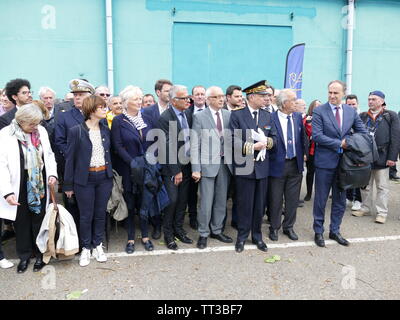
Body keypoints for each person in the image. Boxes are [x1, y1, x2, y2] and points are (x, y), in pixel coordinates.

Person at [0, 104, 57, 273]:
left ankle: (40, 255)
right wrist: (7, 192)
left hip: (39, 181)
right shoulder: (5, 135)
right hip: (18, 183)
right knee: (22, 221)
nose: (35, 127)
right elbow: (1, 166)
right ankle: (24, 257)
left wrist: (52, 174)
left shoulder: (41, 131)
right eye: (32, 124)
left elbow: (49, 155)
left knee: (39, 219)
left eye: (37, 123)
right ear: (21, 121)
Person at [312, 80, 367, 247]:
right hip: (324, 163)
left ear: (343, 93)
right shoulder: (319, 111)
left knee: (340, 200)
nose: (332, 96)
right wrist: (339, 144)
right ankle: (318, 231)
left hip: (345, 164)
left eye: (336, 93)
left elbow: (362, 132)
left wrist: (349, 142)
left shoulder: (351, 111)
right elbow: (317, 136)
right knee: (321, 199)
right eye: (330, 92)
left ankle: (335, 230)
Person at [64, 95, 113, 267]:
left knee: (100, 214)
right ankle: (86, 247)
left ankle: (97, 245)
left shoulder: (106, 129)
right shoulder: (76, 131)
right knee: (86, 215)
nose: (104, 109)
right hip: (84, 180)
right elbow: (70, 160)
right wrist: (68, 185)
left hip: (104, 178)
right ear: (92, 110)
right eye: (101, 107)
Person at [111, 86, 161, 253]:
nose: (139, 102)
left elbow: (155, 140)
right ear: (126, 103)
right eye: (136, 99)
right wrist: (133, 162)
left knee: (145, 203)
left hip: (148, 168)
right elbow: (117, 146)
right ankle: (131, 238)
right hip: (129, 170)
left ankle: (145, 236)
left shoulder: (147, 118)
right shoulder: (119, 121)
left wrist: (150, 160)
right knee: (131, 204)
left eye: (140, 99)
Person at [229, 80, 277, 253]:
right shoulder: (237, 115)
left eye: (267, 96)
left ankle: (257, 236)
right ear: (252, 96)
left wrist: (267, 143)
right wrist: (252, 147)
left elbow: (274, 138)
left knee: (259, 205)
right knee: (244, 204)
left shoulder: (267, 115)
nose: (266, 99)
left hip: (262, 168)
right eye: (263, 96)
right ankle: (242, 237)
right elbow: (232, 140)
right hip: (245, 166)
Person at [190, 86, 233, 249]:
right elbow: (195, 144)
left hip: (225, 164)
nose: (221, 99)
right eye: (217, 97)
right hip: (207, 165)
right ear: (208, 100)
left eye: (222, 96)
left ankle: (216, 229)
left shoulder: (229, 115)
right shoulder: (200, 117)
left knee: (221, 200)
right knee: (206, 201)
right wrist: (196, 168)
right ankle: (203, 233)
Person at [352, 91, 400, 224]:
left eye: (373, 99)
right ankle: (365, 208)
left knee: (382, 186)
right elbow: (356, 136)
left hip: (383, 156)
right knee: (365, 185)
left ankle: (381, 212)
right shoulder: (362, 116)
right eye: (369, 99)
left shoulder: (390, 116)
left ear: (381, 101)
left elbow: (396, 138)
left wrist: (392, 157)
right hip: (365, 157)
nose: (370, 101)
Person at [55, 79, 95, 229]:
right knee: (73, 206)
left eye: (81, 94)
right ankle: (75, 239)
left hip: (95, 169)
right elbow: (59, 142)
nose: (77, 97)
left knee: (93, 206)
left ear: (90, 96)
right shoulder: (65, 116)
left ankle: (93, 239)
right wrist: (77, 159)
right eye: (75, 95)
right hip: (73, 169)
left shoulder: (96, 115)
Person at [158, 85, 193, 250]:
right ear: (173, 101)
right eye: (184, 98)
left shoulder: (187, 114)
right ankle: (168, 234)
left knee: (182, 201)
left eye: (188, 97)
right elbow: (166, 146)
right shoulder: (166, 118)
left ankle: (179, 229)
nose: (188, 100)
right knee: (172, 201)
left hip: (187, 165)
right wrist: (176, 170)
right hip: (173, 169)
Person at [268, 89, 305, 242]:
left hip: (295, 164)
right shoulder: (271, 118)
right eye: (294, 100)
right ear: (284, 103)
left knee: (292, 199)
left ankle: (288, 227)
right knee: (275, 199)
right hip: (277, 165)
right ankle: (274, 227)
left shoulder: (297, 117)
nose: (297, 102)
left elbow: (302, 138)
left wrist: (304, 156)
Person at [0, 78, 33, 243]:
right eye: (24, 93)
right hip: (17, 174)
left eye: (29, 92)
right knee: (21, 217)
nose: (28, 95)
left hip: (35, 174)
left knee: (37, 213)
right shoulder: (6, 119)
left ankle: (38, 250)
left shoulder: (36, 113)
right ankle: (25, 253)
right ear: (14, 96)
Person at [186, 85, 208, 230]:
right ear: (192, 97)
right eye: (197, 94)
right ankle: (193, 217)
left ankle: (208, 218)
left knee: (208, 191)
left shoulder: (212, 112)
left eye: (202, 94)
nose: (200, 96)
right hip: (190, 157)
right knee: (192, 191)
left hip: (209, 157)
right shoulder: (187, 113)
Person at [344, 94, 363, 210]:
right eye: (349, 104)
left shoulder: (363, 116)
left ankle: (358, 200)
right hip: (347, 150)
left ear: (357, 104)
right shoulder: (343, 116)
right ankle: (349, 197)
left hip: (359, 151)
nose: (351, 106)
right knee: (347, 175)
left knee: (358, 176)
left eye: (353, 104)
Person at [303, 99, 322, 201]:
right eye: (316, 105)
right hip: (311, 150)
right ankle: (309, 193)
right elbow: (307, 133)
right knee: (310, 172)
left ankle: (319, 193)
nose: (318, 107)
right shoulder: (306, 119)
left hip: (321, 150)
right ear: (312, 107)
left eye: (320, 105)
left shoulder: (325, 118)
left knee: (321, 174)